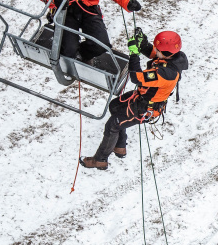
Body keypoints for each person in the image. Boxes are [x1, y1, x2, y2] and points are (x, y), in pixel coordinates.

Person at [79, 29, 188, 170]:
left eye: (158, 49)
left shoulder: (166, 73)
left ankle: (100, 160)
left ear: (166, 53)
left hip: (144, 108)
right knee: (114, 106)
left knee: (112, 125)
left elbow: (136, 77)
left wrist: (134, 53)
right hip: (141, 98)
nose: (156, 50)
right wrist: (142, 43)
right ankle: (119, 146)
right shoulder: (172, 57)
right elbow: (153, 54)